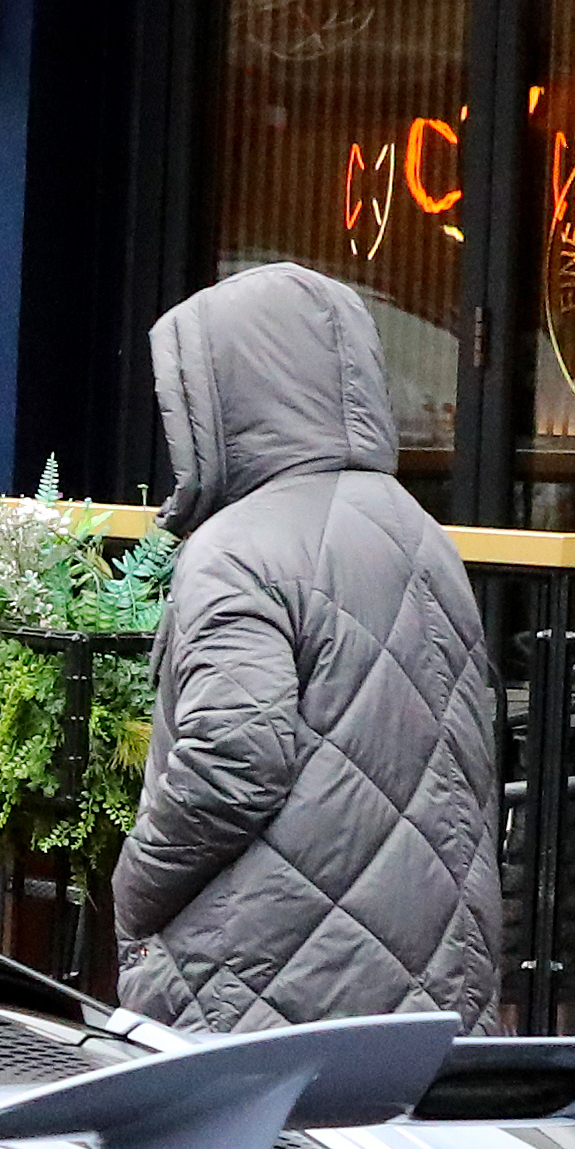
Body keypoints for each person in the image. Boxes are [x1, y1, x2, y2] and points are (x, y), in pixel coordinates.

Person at [110, 262, 502, 1034]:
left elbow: (231, 764)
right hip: (430, 989)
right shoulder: (421, 537)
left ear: (221, 401)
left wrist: (133, 889)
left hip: (261, 989)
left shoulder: (235, 551)